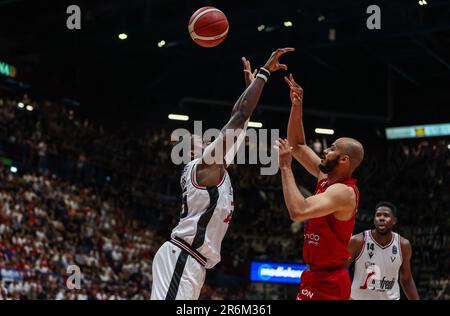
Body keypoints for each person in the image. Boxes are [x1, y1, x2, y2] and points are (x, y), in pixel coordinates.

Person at [150, 47, 295, 300]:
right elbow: (239, 118)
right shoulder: (203, 167)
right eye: (199, 140)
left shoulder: (215, 168)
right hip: (182, 257)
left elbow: (237, 121)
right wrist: (263, 74)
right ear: (190, 153)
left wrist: (250, 88)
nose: (207, 140)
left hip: (192, 262)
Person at [276, 74, 364, 300]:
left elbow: (298, 211)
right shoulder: (325, 177)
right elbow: (297, 145)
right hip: (316, 276)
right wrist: (297, 106)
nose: (326, 151)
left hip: (329, 281)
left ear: (344, 160)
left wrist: (286, 168)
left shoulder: (343, 192)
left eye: (332, 148)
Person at [346, 201, 420, 300]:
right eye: (378, 215)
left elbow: (406, 280)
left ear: (394, 221)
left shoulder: (403, 245)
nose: (381, 218)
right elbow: (340, 272)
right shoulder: (358, 241)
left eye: (386, 215)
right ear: (374, 220)